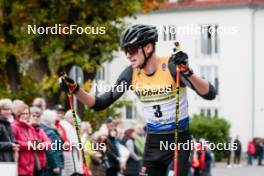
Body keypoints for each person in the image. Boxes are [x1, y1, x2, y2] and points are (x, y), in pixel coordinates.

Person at [59, 24, 216, 176]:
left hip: (179, 143)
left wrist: (188, 72)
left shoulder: (171, 66)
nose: (128, 55)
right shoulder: (131, 74)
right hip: (153, 144)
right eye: (125, 50)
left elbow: (209, 93)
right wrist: (76, 90)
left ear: (147, 47)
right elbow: (100, 103)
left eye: (132, 50)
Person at [12, 102, 36, 176]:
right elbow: (13, 142)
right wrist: (28, 144)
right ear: (18, 114)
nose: (25, 116)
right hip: (20, 164)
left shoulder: (30, 127)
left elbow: (34, 141)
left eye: (27, 113)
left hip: (30, 164)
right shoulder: (14, 126)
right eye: (23, 114)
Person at [40, 110, 64, 176]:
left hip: (49, 164)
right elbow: (52, 150)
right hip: (52, 166)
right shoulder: (50, 132)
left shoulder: (45, 129)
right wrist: (55, 165)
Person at [30, 107, 52, 176]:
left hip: (41, 163)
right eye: (33, 116)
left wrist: (40, 145)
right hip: (31, 164)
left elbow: (49, 143)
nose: (36, 118)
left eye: (38, 116)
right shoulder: (28, 128)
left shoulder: (40, 130)